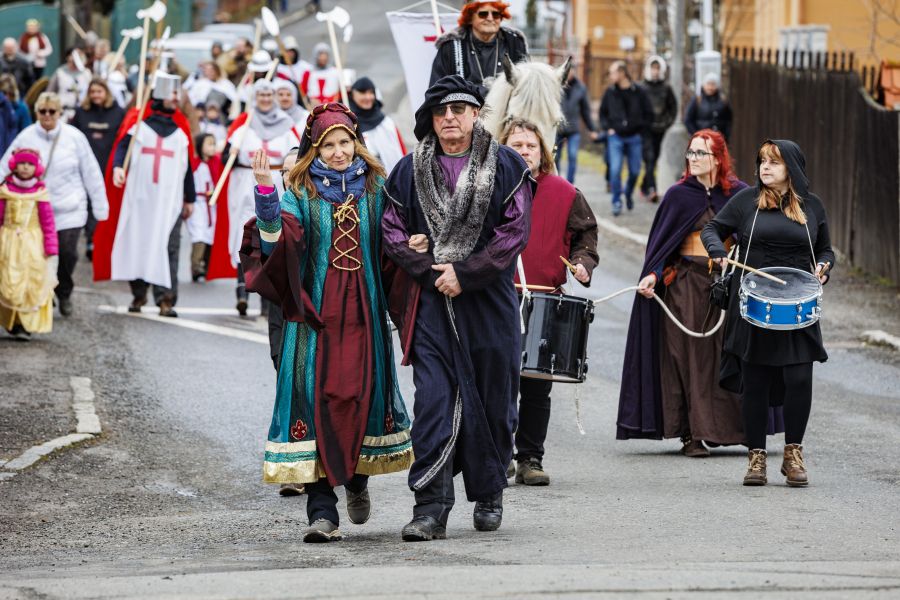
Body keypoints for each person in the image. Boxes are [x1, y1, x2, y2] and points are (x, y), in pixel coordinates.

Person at [240, 104, 413, 542]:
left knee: (359, 398)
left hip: (364, 317)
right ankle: (321, 512)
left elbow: (393, 243)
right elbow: (278, 244)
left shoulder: (376, 188)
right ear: (314, 149)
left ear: (357, 143)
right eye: (328, 145)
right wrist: (266, 195)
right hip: (314, 320)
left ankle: (356, 480)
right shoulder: (300, 191)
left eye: (344, 142)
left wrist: (412, 243)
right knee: (314, 400)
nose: (338, 152)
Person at [382, 76, 533, 541]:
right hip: (432, 305)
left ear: (475, 114)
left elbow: (514, 232)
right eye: (440, 111)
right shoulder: (407, 171)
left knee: (493, 403)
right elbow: (390, 230)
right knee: (432, 403)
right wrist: (429, 269)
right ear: (430, 119)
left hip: (489, 303)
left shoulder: (506, 164)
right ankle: (430, 508)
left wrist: (465, 273)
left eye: (459, 109)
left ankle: (489, 494)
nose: (449, 117)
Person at [702, 139, 834, 487]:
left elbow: (825, 250)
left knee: (799, 378)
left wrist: (824, 266)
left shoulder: (812, 206)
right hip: (754, 304)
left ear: (792, 167)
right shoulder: (747, 202)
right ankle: (756, 457)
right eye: (762, 161)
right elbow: (712, 229)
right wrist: (717, 252)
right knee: (756, 381)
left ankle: (793, 455)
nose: (765, 167)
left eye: (774, 162)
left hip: (797, 306)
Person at [618, 129, 749, 455]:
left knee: (728, 354)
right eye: (691, 152)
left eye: (701, 153)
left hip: (727, 285)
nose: (693, 158)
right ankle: (692, 433)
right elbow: (662, 246)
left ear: (718, 157)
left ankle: (736, 427)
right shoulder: (678, 196)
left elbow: (754, 237)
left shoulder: (738, 194)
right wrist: (652, 274)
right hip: (687, 285)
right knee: (688, 356)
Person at [501, 118, 597, 485]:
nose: (525, 151)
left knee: (537, 386)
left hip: (545, 299)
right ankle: (498, 454)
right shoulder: (490, 188)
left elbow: (585, 236)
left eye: (531, 145)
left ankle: (530, 458)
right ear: (503, 149)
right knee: (498, 382)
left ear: (543, 152)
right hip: (499, 297)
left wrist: (582, 264)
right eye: (517, 145)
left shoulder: (565, 192)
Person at [93, 73, 196, 318]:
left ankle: (166, 298)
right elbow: (122, 150)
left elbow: (187, 168)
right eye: (172, 94)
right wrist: (118, 168)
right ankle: (139, 294)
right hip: (141, 198)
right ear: (160, 95)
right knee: (139, 242)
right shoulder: (139, 125)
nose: (176, 98)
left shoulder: (180, 131)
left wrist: (189, 198)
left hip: (169, 201)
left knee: (169, 247)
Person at [0, 92, 108, 318]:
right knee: (39, 256)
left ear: (59, 113)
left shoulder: (75, 137)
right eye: (43, 111)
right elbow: (6, 166)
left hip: (70, 207)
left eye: (52, 111)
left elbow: (91, 172)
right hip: (35, 208)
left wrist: (100, 205)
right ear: (36, 112)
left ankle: (64, 291)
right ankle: (43, 293)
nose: (47, 116)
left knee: (67, 253)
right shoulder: (26, 137)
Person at [215, 79, 302, 315]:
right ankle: (242, 290)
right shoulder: (244, 125)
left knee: (270, 236)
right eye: (261, 95)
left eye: (268, 95)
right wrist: (231, 153)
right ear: (255, 98)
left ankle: (268, 299)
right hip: (245, 186)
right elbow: (225, 159)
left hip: (275, 184)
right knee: (243, 235)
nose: (265, 99)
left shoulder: (286, 126)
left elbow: (296, 156)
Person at [0, 148, 57, 339]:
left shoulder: (40, 193)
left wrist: (51, 247)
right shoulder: (5, 191)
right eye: (22, 163)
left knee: (29, 281)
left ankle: (24, 324)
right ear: (15, 165)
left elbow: (48, 223)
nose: (25, 167)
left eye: (30, 164)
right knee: (7, 279)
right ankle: (10, 320)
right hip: (7, 243)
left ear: (37, 168)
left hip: (32, 245)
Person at [70, 78, 125, 259]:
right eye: (92, 92)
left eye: (99, 92)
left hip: (107, 165)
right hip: (85, 166)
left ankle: (101, 239)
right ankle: (91, 238)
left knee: (103, 203)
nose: (96, 95)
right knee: (87, 203)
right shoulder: (81, 113)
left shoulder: (118, 112)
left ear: (106, 93)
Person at [430, 2, 528, 94]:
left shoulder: (514, 43)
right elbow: (437, 90)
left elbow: (525, 85)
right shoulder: (451, 46)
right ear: (470, 18)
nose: (490, 18)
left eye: (496, 14)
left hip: (505, 105)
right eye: (483, 14)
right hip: (463, 105)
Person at [599, 61, 652, 216]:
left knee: (635, 171)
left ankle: (628, 193)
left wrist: (641, 129)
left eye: (613, 72)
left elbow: (649, 113)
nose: (610, 76)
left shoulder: (639, 91)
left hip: (634, 137)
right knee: (615, 170)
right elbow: (603, 113)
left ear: (622, 73)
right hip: (616, 137)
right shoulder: (610, 92)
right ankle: (616, 201)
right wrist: (608, 128)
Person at [639, 55, 677, 203]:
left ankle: (644, 185)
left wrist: (667, 123)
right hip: (645, 129)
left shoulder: (666, 88)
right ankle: (652, 189)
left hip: (660, 129)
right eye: (653, 68)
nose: (655, 71)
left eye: (657, 68)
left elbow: (672, 108)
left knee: (653, 158)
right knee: (649, 158)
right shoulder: (642, 87)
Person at [348, 77, 406, 172]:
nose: (368, 97)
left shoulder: (387, 122)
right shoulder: (350, 124)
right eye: (363, 93)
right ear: (352, 95)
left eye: (371, 92)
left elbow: (401, 150)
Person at [187, 133, 223, 282]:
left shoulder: (216, 163)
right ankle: (196, 267)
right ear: (200, 145)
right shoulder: (194, 163)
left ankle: (207, 266)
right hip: (197, 203)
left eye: (214, 144)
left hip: (212, 204)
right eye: (209, 144)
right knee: (199, 233)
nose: (212, 147)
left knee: (210, 234)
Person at [556, 66, 599, 184]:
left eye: (571, 71)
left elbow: (585, 111)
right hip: (558, 129)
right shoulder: (556, 85)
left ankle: (570, 184)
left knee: (572, 155)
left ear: (574, 72)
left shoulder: (580, 88)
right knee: (555, 157)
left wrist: (592, 129)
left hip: (573, 129)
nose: (568, 74)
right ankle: (557, 182)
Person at [685, 73, 733, 141]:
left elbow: (728, 120)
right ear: (704, 85)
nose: (710, 87)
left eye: (713, 84)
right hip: (701, 140)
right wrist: (697, 135)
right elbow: (688, 120)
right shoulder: (697, 100)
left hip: (718, 140)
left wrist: (726, 136)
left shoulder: (723, 100)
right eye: (708, 84)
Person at [47, 48, 91, 121]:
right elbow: (49, 93)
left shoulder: (86, 73)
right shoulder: (60, 72)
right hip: (63, 111)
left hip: (82, 111)